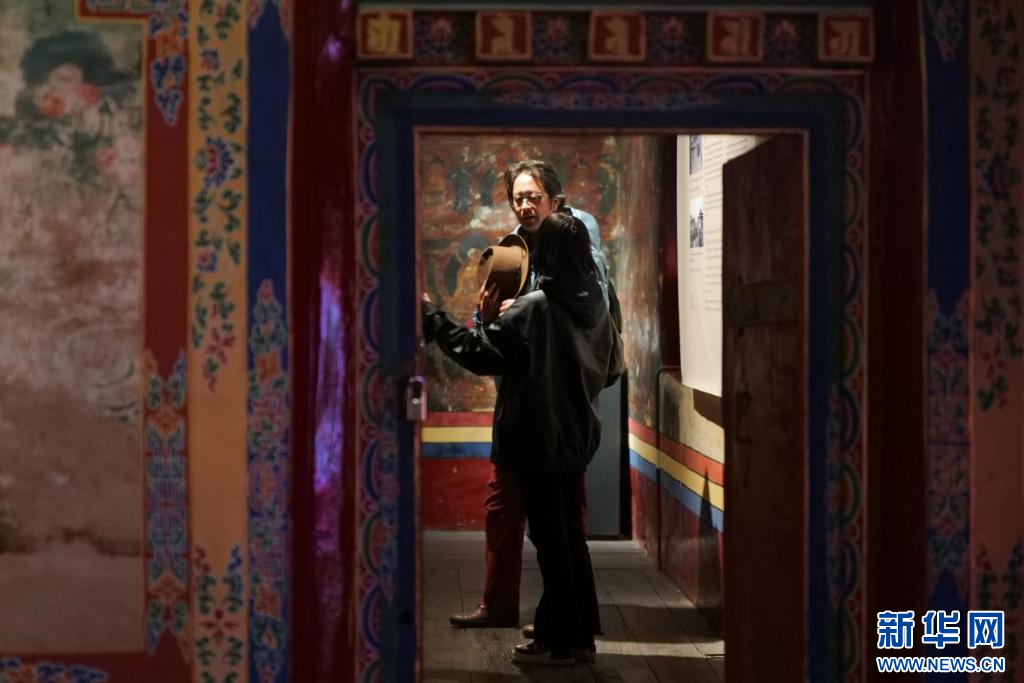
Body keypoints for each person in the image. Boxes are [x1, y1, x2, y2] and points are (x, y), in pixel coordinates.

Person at [422, 212, 622, 665]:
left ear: (545, 253)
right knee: (570, 537)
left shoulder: (535, 308)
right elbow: (609, 369)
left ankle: (560, 643)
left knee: (551, 542)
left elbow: (480, 354)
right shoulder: (596, 303)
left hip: (537, 436)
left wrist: (439, 318)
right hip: (578, 435)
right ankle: (579, 635)